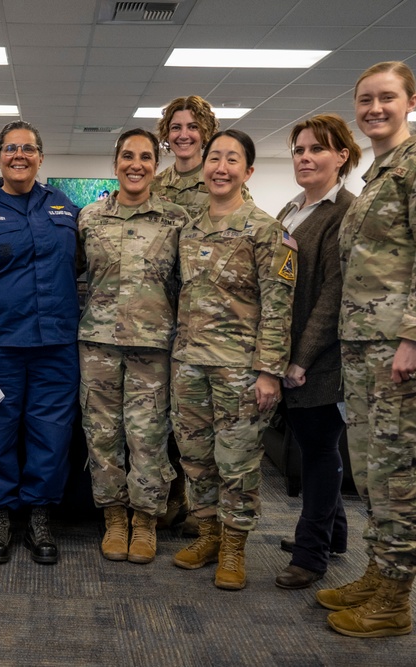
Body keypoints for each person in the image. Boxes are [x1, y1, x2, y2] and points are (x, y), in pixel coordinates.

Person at [318, 61, 416, 638]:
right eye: (365, 100)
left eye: (386, 98)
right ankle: (380, 574)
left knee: (398, 477)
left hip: (401, 354)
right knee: (373, 476)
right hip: (366, 353)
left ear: (412, 103)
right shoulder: (380, 172)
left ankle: (395, 601)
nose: (374, 108)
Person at [0, 121, 81, 565]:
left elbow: (84, 268)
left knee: (52, 434)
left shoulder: (65, 208)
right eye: (10, 148)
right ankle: (1, 514)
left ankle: (39, 516)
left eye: (28, 148)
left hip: (56, 346)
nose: (19, 155)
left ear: (41, 157)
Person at [170, 129, 295, 590]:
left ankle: (235, 548)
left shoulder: (266, 230)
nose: (221, 167)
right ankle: (208, 534)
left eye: (232, 160)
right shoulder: (189, 228)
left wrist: (269, 372)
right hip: (189, 365)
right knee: (196, 457)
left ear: (248, 171)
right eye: (214, 158)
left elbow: (279, 306)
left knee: (238, 462)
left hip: (241, 370)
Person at [77, 129, 189, 564]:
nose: (136, 164)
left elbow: (186, 285)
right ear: (116, 162)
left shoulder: (175, 219)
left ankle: (145, 521)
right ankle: (114, 519)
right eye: (128, 156)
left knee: (148, 437)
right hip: (98, 344)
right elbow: (73, 274)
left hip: (153, 346)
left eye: (145, 156)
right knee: (102, 437)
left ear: (155, 166)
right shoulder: (89, 218)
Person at [151, 95, 251, 532]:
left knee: (214, 431)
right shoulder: (155, 185)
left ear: (206, 133)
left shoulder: (225, 182)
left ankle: (202, 512)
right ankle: (175, 496)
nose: (183, 134)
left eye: (193, 127)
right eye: (176, 127)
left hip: (214, 324)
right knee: (173, 421)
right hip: (163, 319)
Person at [272, 115, 361, 590]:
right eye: (299, 150)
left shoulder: (343, 211)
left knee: (321, 451)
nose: (305, 158)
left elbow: (333, 294)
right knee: (313, 446)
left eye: (317, 150)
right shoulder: (293, 208)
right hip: (289, 349)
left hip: (317, 358)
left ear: (341, 156)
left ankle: (310, 555)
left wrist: (301, 358)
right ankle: (336, 535)